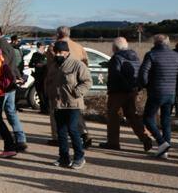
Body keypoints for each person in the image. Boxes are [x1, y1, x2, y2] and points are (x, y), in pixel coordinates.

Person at [100, 38, 153, 151]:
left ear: (115, 48)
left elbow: (116, 74)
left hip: (118, 91)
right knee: (132, 116)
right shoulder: (135, 57)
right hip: (132, 91)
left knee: (113, 116)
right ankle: (145, 137)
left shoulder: (116, 58)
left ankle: (113, 142)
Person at [138, 34, 178, 158]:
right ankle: (165, 150)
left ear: (155, 43)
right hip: (171, 92)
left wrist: (145, 85)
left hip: (156, 91)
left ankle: (161, 142)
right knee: (166, 121)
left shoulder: (152, 55)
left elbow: (143, 73)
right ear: (168, 43)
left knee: (148, 118)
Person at [48, 41, 91, 169]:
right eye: (56, 52)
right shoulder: (54, 66)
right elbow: (50, 82)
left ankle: (79, 157)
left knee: (72, 129)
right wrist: (49, 95)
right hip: (58, 104)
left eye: (61, 52)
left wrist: (77, 92)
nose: (58, 54)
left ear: (67, 52)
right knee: (61, 131)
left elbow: (87, 82)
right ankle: (64, 158)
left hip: (73, 103)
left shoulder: (77, 65)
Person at [0, 35, 27, 151]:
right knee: (11, 112)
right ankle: (21, 139)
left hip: (3, 85)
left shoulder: (1, 48)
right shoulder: (10, 47)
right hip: (10, 85)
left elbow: (2, 66)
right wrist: (18, 76)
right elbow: (13, 66)